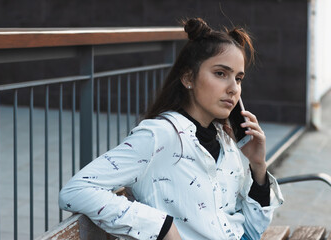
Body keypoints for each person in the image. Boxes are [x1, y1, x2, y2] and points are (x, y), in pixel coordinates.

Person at [59, 17, 284, 240]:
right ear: (188, 77)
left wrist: (258, 166)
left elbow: (253, 232)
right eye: (220, 74)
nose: (233, 88)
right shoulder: (159, 135)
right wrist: (162, 227)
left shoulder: (224, 140)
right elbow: (76, 191)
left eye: (239, 78)